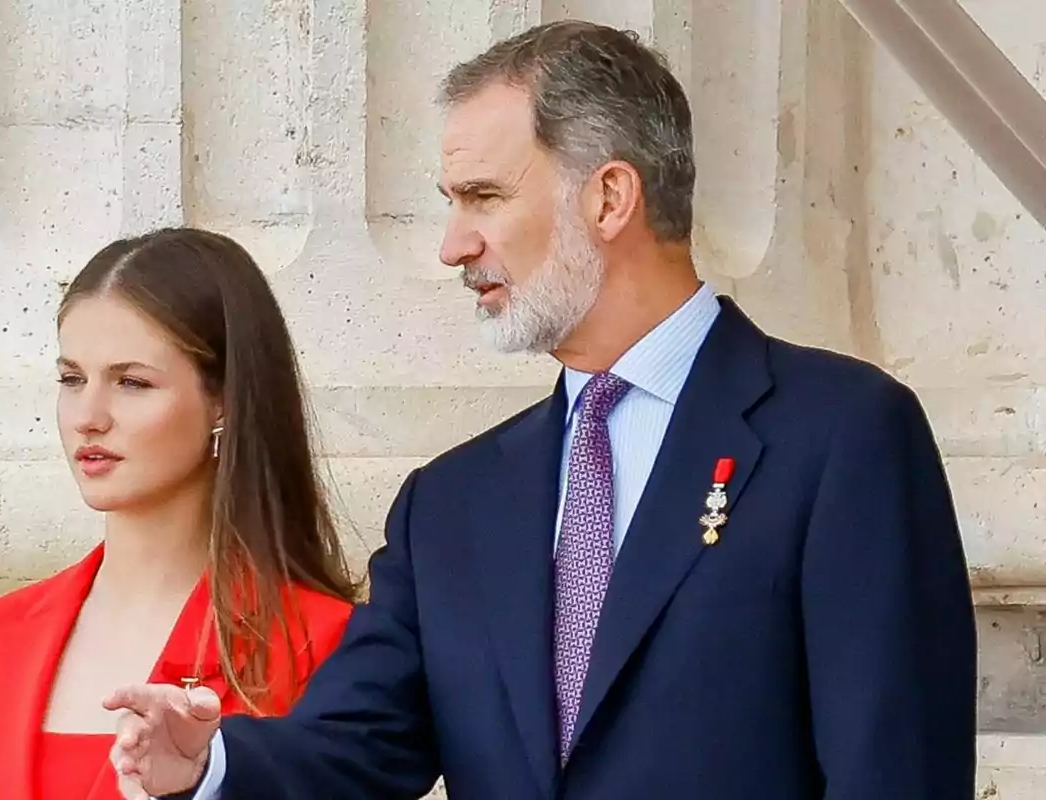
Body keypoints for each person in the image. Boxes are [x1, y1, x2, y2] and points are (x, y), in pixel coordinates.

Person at [104, 21, 978, 800]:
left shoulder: (842, 436)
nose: (453, 246)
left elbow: (893, 768)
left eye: (483, 197)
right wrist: (212, 761)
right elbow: (361, 744)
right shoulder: (448, 504)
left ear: (608, 197)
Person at [0, 228, 359, 800]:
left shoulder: (316, 641)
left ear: (224, 401)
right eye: (71, 379)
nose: (88, 415)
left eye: (132, 382)